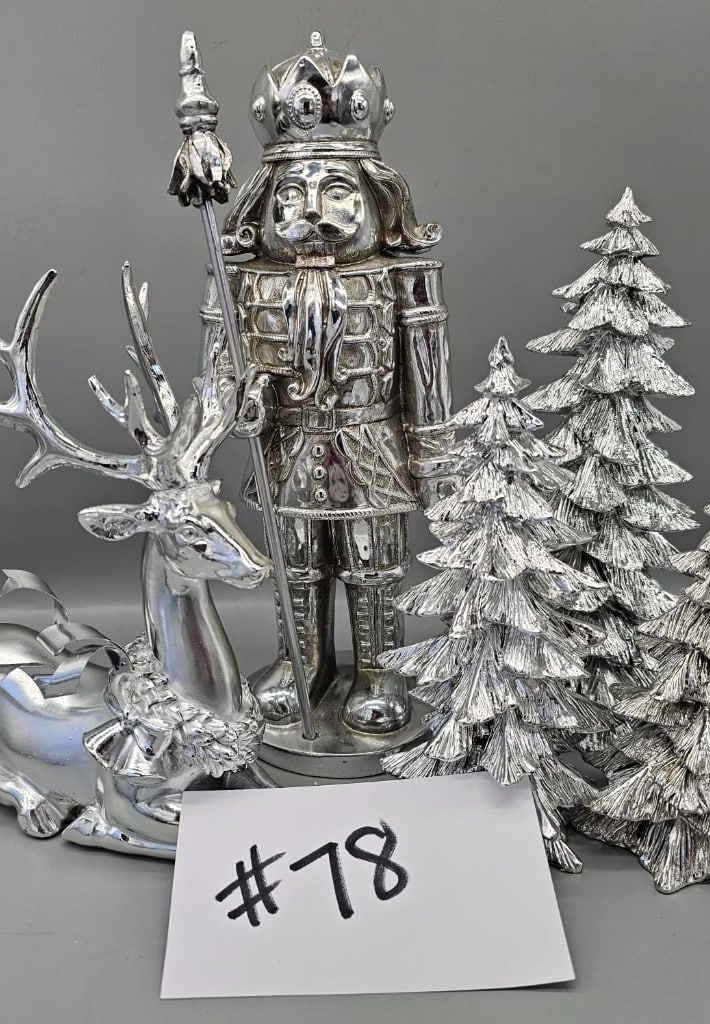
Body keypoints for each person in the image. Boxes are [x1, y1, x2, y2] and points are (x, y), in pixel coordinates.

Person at [199, 32, 452, 734]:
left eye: (337, 193)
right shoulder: (245, 283)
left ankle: (378, 669)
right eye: (291, 197)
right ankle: (301, 663)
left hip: (372, 443)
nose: (311, 213)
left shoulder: (402, 278)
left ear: (377, 199)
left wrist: (435, 459)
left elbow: (426, 376)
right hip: (289, 445)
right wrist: (237, 403)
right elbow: (219, 374)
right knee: (297, 564)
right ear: (260, 205)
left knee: (374, 563)